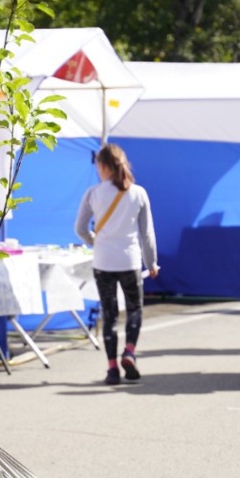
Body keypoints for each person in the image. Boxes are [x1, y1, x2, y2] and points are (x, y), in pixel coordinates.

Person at [74, 143, 159, 385]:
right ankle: (129, 351)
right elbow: (147, 234)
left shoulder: (93, 193)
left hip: (103, 262)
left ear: (102, 165)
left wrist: (95, 241)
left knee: (109, 314)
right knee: (135, 309)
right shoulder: (139, 193)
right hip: (130, 261)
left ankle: (112, 368)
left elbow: (79, 228)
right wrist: (151, 262)